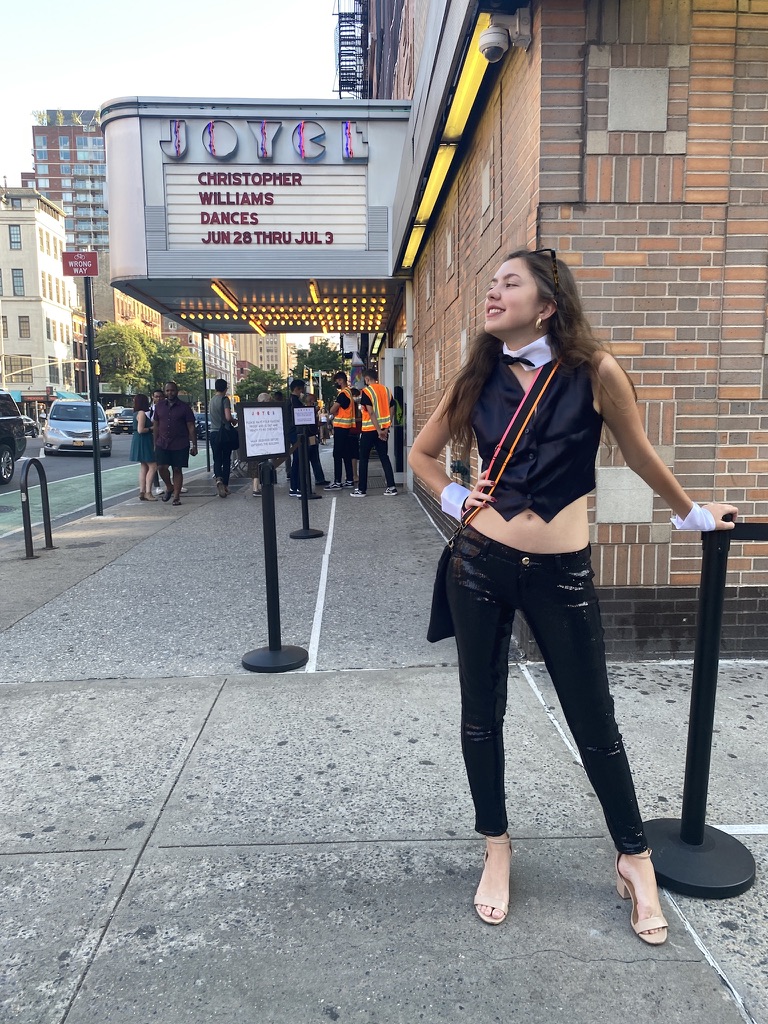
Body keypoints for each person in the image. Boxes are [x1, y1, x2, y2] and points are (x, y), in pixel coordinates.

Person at [408, 248, 738, 939]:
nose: (493, 292)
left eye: (510, 283)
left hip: (562, 575)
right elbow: (421, 454)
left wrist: (693, 514)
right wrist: (456, 496)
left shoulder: (596, 372)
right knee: (480, 716)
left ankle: (635, 859)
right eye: (490, 283)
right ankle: (496, 847)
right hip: (480, 565)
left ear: (548, 305)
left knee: (595, 723)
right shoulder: (476, 375)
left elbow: (640, 452)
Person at [351, 366, 398, 497]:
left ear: (367, 379)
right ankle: (391, 487)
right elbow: (392, 409)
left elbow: (371, 412)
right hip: (383, 429)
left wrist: (377, 430)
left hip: (369, 429)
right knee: (384, 457)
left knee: (364, 458)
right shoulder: (386, 390)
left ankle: (362, 489)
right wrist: (386, 428)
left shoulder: (367, 392)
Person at [152, 381, 197, 506]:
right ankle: (169, 486)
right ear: (164, 392)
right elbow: (156, 425)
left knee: (177, 469)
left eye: (172, 390)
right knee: (161, 467)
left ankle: (176, 496)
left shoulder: (184, 407)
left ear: (176, 391)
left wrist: (194, 445)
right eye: (167, 391)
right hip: (162, 443)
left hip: (180, 443)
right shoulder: (159, 406)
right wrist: (155, 443)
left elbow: (191, 426)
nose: (170, 393)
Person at [324, 370, 356, 490]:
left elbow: (332, 410)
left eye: (337, 381)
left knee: (337, 454)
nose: (336, 383)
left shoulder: (343, 394)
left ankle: (337, 481)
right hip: (347, 427)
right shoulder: (349, 393)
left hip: (341, 427)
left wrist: (333, 410)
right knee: (346, 453)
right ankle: (349, 480)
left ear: (341, 380)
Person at [209, 378, 234, 498]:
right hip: (224, 434)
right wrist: (234, 421)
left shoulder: (211, 400)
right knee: (226, 459)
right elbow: (228, 417)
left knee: (217, 459)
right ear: (226, 388)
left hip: (213, 433)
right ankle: (225, 485)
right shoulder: (225, 399)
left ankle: (218, 478)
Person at [130, 394, 157, 501]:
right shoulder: (141, 413)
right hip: (144, 440)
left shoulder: (135, 413)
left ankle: (142, 491)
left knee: (144, 466)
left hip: (138, 440)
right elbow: (140, 429)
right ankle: (148, 492)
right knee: (153, 466)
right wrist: (151, 428)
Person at [288, 379, 309, 497]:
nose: (303, 392)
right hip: (296, 433)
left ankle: (295, 486)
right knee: (299, 459)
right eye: (302, 390)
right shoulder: (295, 402)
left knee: (297, 460)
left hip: (293, 433)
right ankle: (298, 487)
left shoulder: (290, 401)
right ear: (297, 389)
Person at [303, 392, 330, 486]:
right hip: (310, 436)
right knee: (313, 457)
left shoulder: (310, 410)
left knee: (315, 458)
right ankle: (318, 479)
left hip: (312, 435)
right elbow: (310, 423)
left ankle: (319, 478)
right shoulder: (308, 411)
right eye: (315, 401)